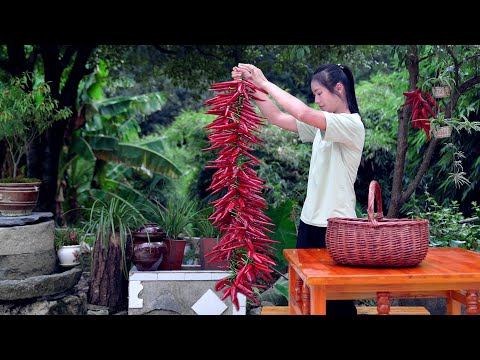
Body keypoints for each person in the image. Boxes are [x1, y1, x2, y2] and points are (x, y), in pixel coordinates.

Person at [232, 63, 365, 315]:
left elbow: (303, 113)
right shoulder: (323, 126)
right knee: (307, 296)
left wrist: (264, 82)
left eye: (319, 93)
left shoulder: (351, 124)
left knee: (335, 301)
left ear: (339, 88)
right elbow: (277, 117)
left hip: (336, 225)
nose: (317, 100)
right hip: (310, 221)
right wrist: (251, 85)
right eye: (314, 95)